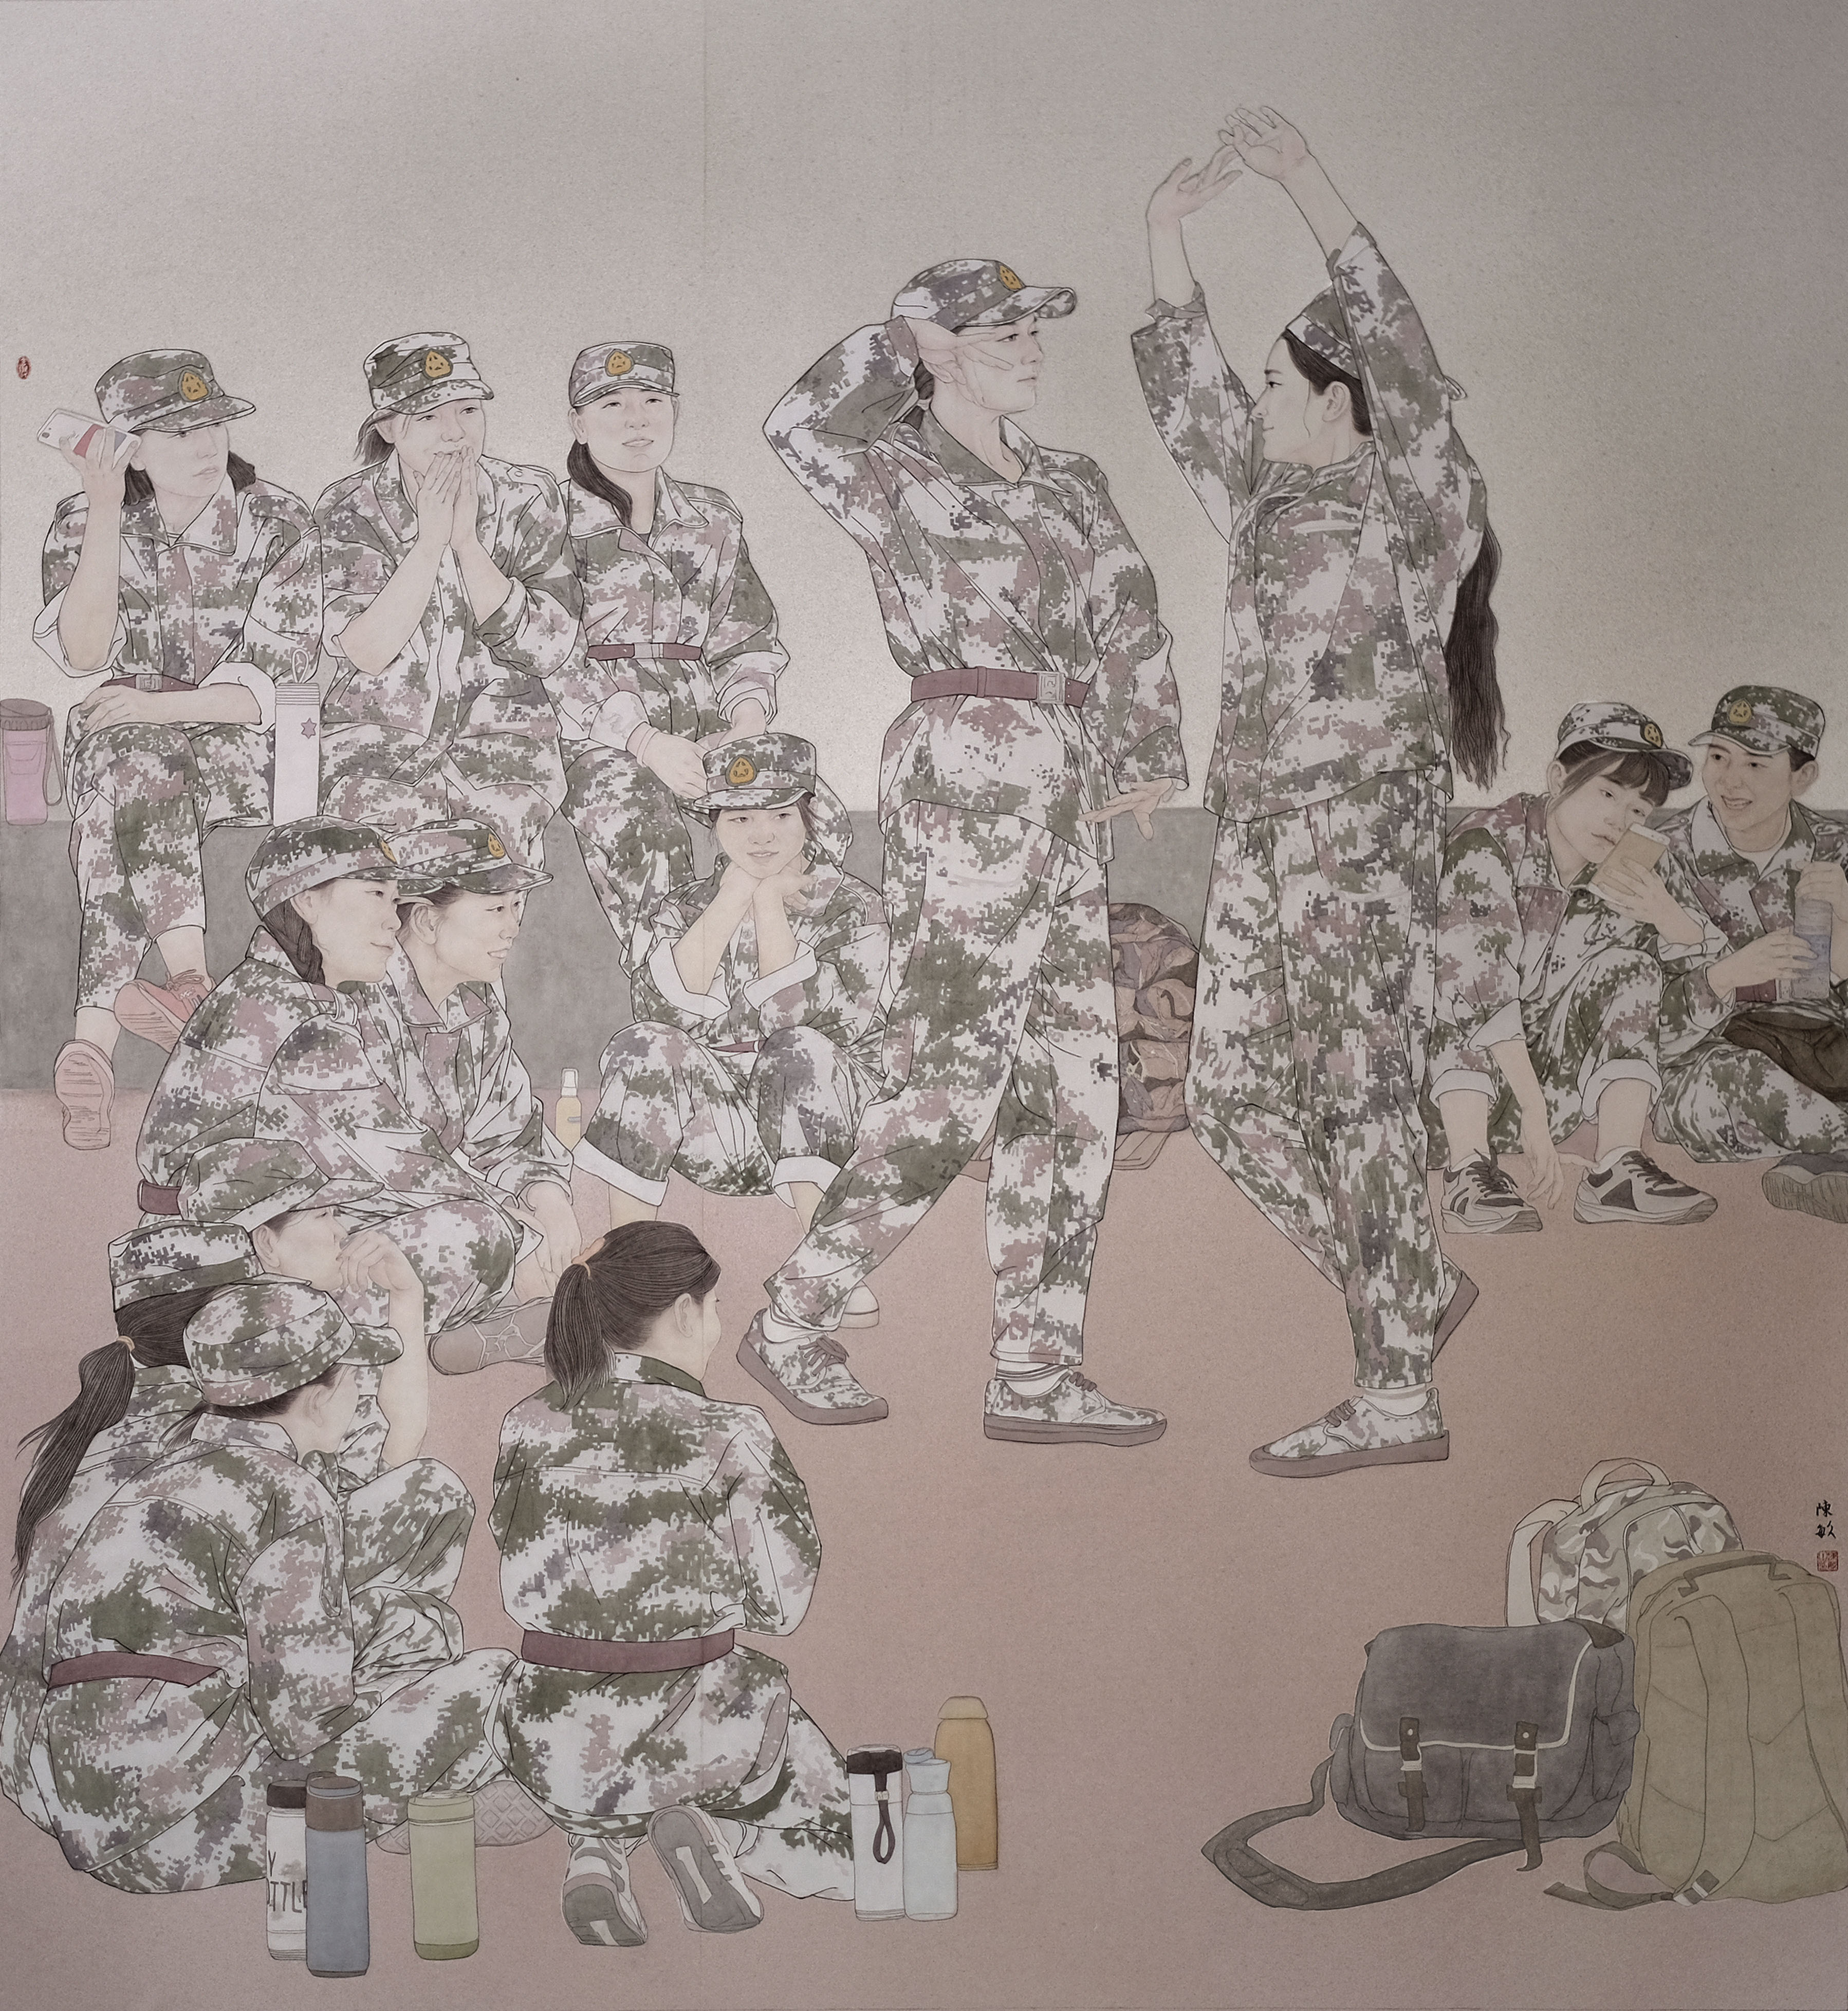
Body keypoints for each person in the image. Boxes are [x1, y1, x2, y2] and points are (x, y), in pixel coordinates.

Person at [751, 252, 1187, 1445]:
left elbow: (1130, 610)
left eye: (1035, 332)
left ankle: (1036, 1373)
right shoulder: (889, 470)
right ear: (940, 352)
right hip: (957, 764)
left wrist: (1148, 745)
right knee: (952, 1084)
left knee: (1074, 1088)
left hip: (1066, 779)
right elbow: (791, 424)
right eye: (1003, 337)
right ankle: (791, 1317)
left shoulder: (1072, 479)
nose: (1032, 353)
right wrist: (896, 341)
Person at [1133, 105, 1502, 1477]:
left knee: (1357, 1090)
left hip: (1360, 825)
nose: (1254, 406)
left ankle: (1396, 1393)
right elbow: (1185, 393)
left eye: (1276, 386)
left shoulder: (1416, 501)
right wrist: (1163, 231)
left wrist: (1303, 183)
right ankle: (1407, 1288)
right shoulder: (1263, 501)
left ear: (1340, 400)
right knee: (1230, 1098)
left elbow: (1399, 355)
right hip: (1259, 826)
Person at [29, 1281, 514, 1890]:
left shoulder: (162, 1473)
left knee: (408, 1623)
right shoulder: (286, 1492)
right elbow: (302, 1723)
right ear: (320, 1396)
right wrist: (391, 1703)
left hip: (90, 1808)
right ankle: (425, 1796)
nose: (363, 1391)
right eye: (355, 1377)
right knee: (493, 1681)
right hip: (179, 1827)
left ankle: (416, 1783)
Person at [490, 1223, 853, 1946]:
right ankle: (720, 1832)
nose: (715, 1327)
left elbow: (512, 1542)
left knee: (607, 1731)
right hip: (702, 1727)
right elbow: (781, 1606)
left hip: (545, 1734)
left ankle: (597, 1851)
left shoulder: (526, 1422)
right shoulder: (729, 1429)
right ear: (686, 1311)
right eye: (713, 1308)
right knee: (862, 1850)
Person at [36, 348, 321, 1151]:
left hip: (242, 749)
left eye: (213, 425)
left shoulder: (279, 520)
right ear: (127, 448)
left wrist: (161, 706)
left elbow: (276, 681)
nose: (205, 445)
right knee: (136, 763)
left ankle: (94, 1042)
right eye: (177, 432)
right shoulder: (80, 520)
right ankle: (188, 984)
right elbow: (85, 652)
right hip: (128, 745)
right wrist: (103, 508)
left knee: (121, 796)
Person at [137, 816, 526, 1344]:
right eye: (375, 895)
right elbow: (405, 1166)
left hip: (218, 1258)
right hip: (208, 1285)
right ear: (307, 901)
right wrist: (525, 1232)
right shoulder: (294, 1015)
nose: (393, 921)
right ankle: (371, 1353)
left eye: (395, 900)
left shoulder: (285, 991)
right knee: (479, 1234)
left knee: (444, 1227)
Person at [574, 735, 889, 1369]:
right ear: (714, 823)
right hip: (724, 1131)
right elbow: (659, 1011)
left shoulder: (854, 906)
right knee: (644, 1044)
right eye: (740, 818)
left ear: (809, 815)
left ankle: (827, 1264)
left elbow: (806, 1020)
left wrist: (769, 903)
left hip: (829, 1126)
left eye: (780, 815)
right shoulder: (687, 905)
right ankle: (630, 1266)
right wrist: (732, 897)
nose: (761, 835)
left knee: (797, 1048)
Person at [1, 1224, 255, 1835]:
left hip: (28, 1754)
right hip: (128, 1770)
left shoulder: (87, 1425)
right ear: (219, 1323)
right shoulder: (212, 1432)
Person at [1427, 703, 1717, 1233]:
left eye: (1639, 810)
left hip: (1544, 1100)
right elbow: (1480, 992)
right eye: (1608, 794)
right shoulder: (1487, 842)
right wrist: (1534, 1112)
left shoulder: (1628, 873)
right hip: (1440, 1099)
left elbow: (1677, 1020)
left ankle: (1617, 1170)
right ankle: (1467, 1176)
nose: (1620, 820)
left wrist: (1675, 924)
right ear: (1558, 778)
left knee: (1631, 967)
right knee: (1461, 992)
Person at [553, 341, 788, 959]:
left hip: (708, 730)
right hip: (592, 738)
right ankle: (669, 995)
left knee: (799, 822)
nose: (637, 420)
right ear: (578, 422)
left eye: (653, 401)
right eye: (612, 404)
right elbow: (550, 656)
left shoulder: (713, 517)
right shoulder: (545, 520)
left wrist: (746, 721)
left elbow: (746, 633)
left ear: (675, 410)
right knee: (647, 830)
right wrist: (646, 742)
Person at [315, 331, 580, 872]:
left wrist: (466, 545)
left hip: (505, 747)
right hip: (376, 748)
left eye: (468, 410)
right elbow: (364, 649)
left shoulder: (527, 495)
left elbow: (548, 648)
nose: (455, 433)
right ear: (388, 427)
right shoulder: (349, 507)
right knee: (383, 872)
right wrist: (429, 543)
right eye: (429, 416)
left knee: (492, 869)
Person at [361, 818, 581, 1372]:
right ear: (427, 921)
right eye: (494, 909)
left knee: (565, 1257)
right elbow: (382, 1168)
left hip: (426, 1218)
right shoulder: (358, 1001)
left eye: (516, 908)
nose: (512, 928)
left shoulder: (476, 1008)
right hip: (334, 1226)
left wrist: (547, 1199)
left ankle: (495, 1326)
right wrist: (519, 1231)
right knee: (490, 1240)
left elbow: (508, 1137)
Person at [1652, 685, 1848, 1222]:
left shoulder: (1836, 848)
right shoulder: (1662, 856)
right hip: (1714, 1056)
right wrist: (1722, 977)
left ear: (1802, 776)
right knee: (1747, 1087)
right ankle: (1829, 1152)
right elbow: (1633, 1018)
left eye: (1755, 764)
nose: (1729, 781)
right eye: (1718, 757)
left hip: (1828, 1047)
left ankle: (1819, 1163)